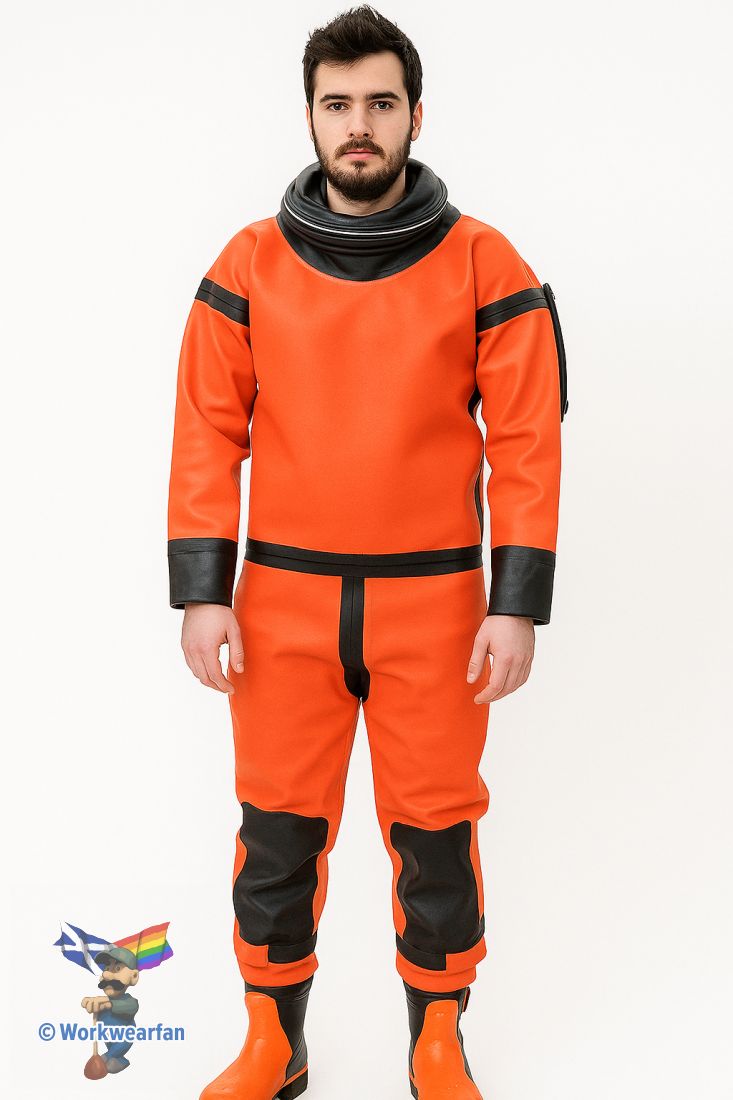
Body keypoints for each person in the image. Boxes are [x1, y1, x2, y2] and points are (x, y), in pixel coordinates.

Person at [166, 6, 567, 1098]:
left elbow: (525, 439)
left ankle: (436, 1040)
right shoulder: (248, 263)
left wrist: (514, 600)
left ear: (414, 116)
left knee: (435, 830)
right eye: (337, 104)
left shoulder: (485, 263)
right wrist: (202, 590)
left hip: (435, 606)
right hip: (281, 601)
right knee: (276, 831)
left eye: (380, 103)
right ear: (309, 116)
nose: (359, 124)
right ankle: (273, 1040)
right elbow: (206, 429)